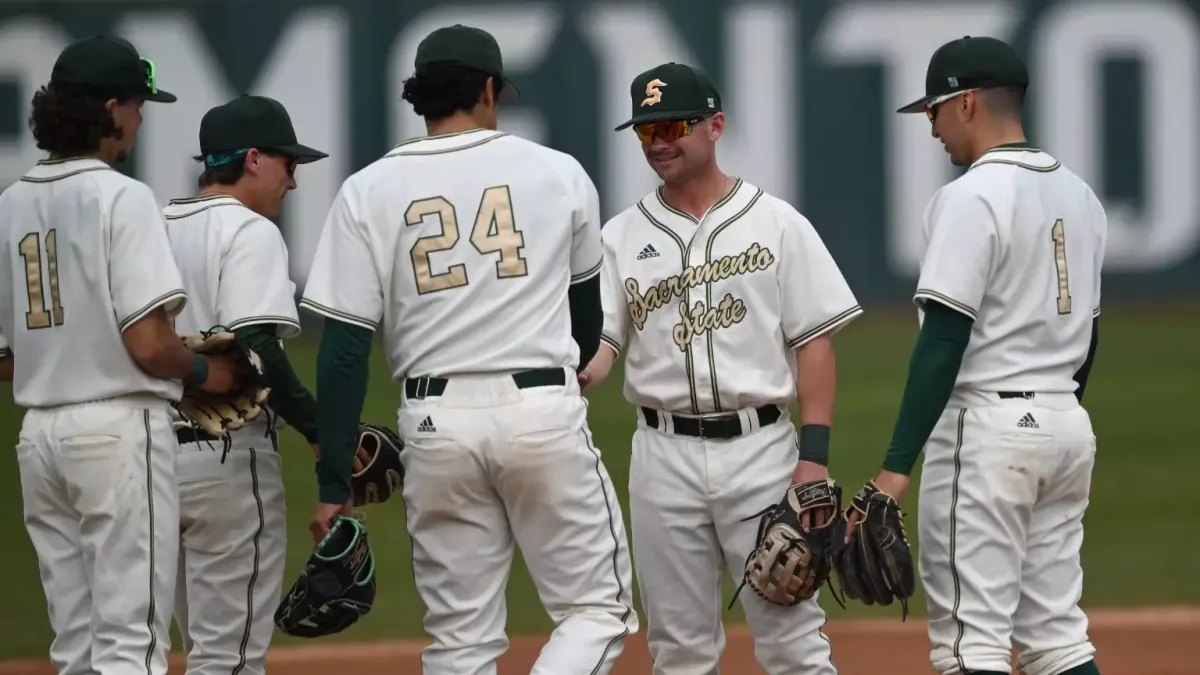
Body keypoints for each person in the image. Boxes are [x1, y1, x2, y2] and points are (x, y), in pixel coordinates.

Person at [298, 24, 637, 675]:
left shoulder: (367, 189)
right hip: (538, 409)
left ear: (421, 96)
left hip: (433, 424)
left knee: (460, 639)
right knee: (597, 611)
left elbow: (343, 350)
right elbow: (587, 323)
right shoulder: (557, 171)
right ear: (488, 88)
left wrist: (335, 477)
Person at [579, 61, 862, 674]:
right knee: (678, 651)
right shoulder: (620, 237)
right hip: (662, 458)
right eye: (645, 131)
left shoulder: (776, 222)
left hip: (761, 452)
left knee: (793, 644)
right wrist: (579, 371)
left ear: (716, 125)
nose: (658, 143)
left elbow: (814, 342)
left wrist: (812, 458)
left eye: (672, 125)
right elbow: (603, 345)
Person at [848, 35, 1107, 675]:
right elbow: (1090, 337)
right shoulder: (1080, 195)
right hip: (1067, 428)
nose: (931, 127)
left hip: (988, 436)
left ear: (965, 103)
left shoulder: (971, 196)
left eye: (934, 109)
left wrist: (894, 470)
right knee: (1057, 640)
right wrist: (1051, 420)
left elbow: (943, 337)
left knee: (971, 647)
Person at [0, 36, 241, 675]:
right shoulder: (120, 196)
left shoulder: (9, 203)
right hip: (116, 435)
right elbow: (149, 343)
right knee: (130, 644)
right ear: (110, 107)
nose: (139, 119)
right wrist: (204, 371)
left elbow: (5, 359)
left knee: (76, 648)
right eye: (137, 104)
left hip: (40, 442)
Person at [164, 94, 327, 675]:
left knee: (135, 650)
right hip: (228, 466)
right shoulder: (249, 232)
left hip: (146, 463)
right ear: (254, 159)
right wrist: (318, 431)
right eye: (291, 165)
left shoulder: (151, 226)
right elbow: (258, 346)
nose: (295, 182)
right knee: (226, 661)